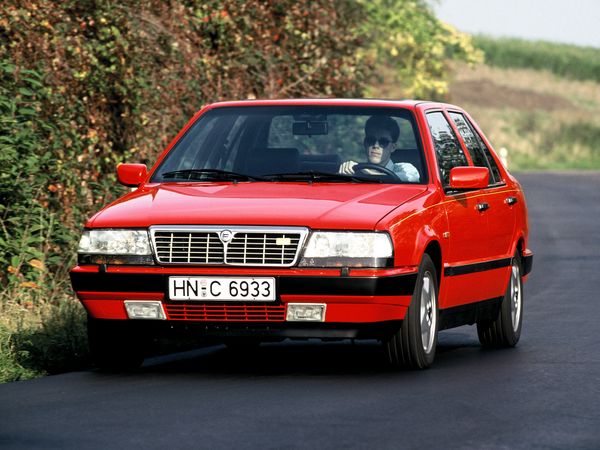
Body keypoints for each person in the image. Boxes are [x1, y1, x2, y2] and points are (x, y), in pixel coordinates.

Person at [338, 116, 420, 182]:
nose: (376, 145)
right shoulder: (354, 170)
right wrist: (346, 170)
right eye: (371, 140)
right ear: (365, 143)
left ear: (393, 147)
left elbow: (411, 177)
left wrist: (369, 173)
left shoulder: (404, 168)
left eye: (383, 142)